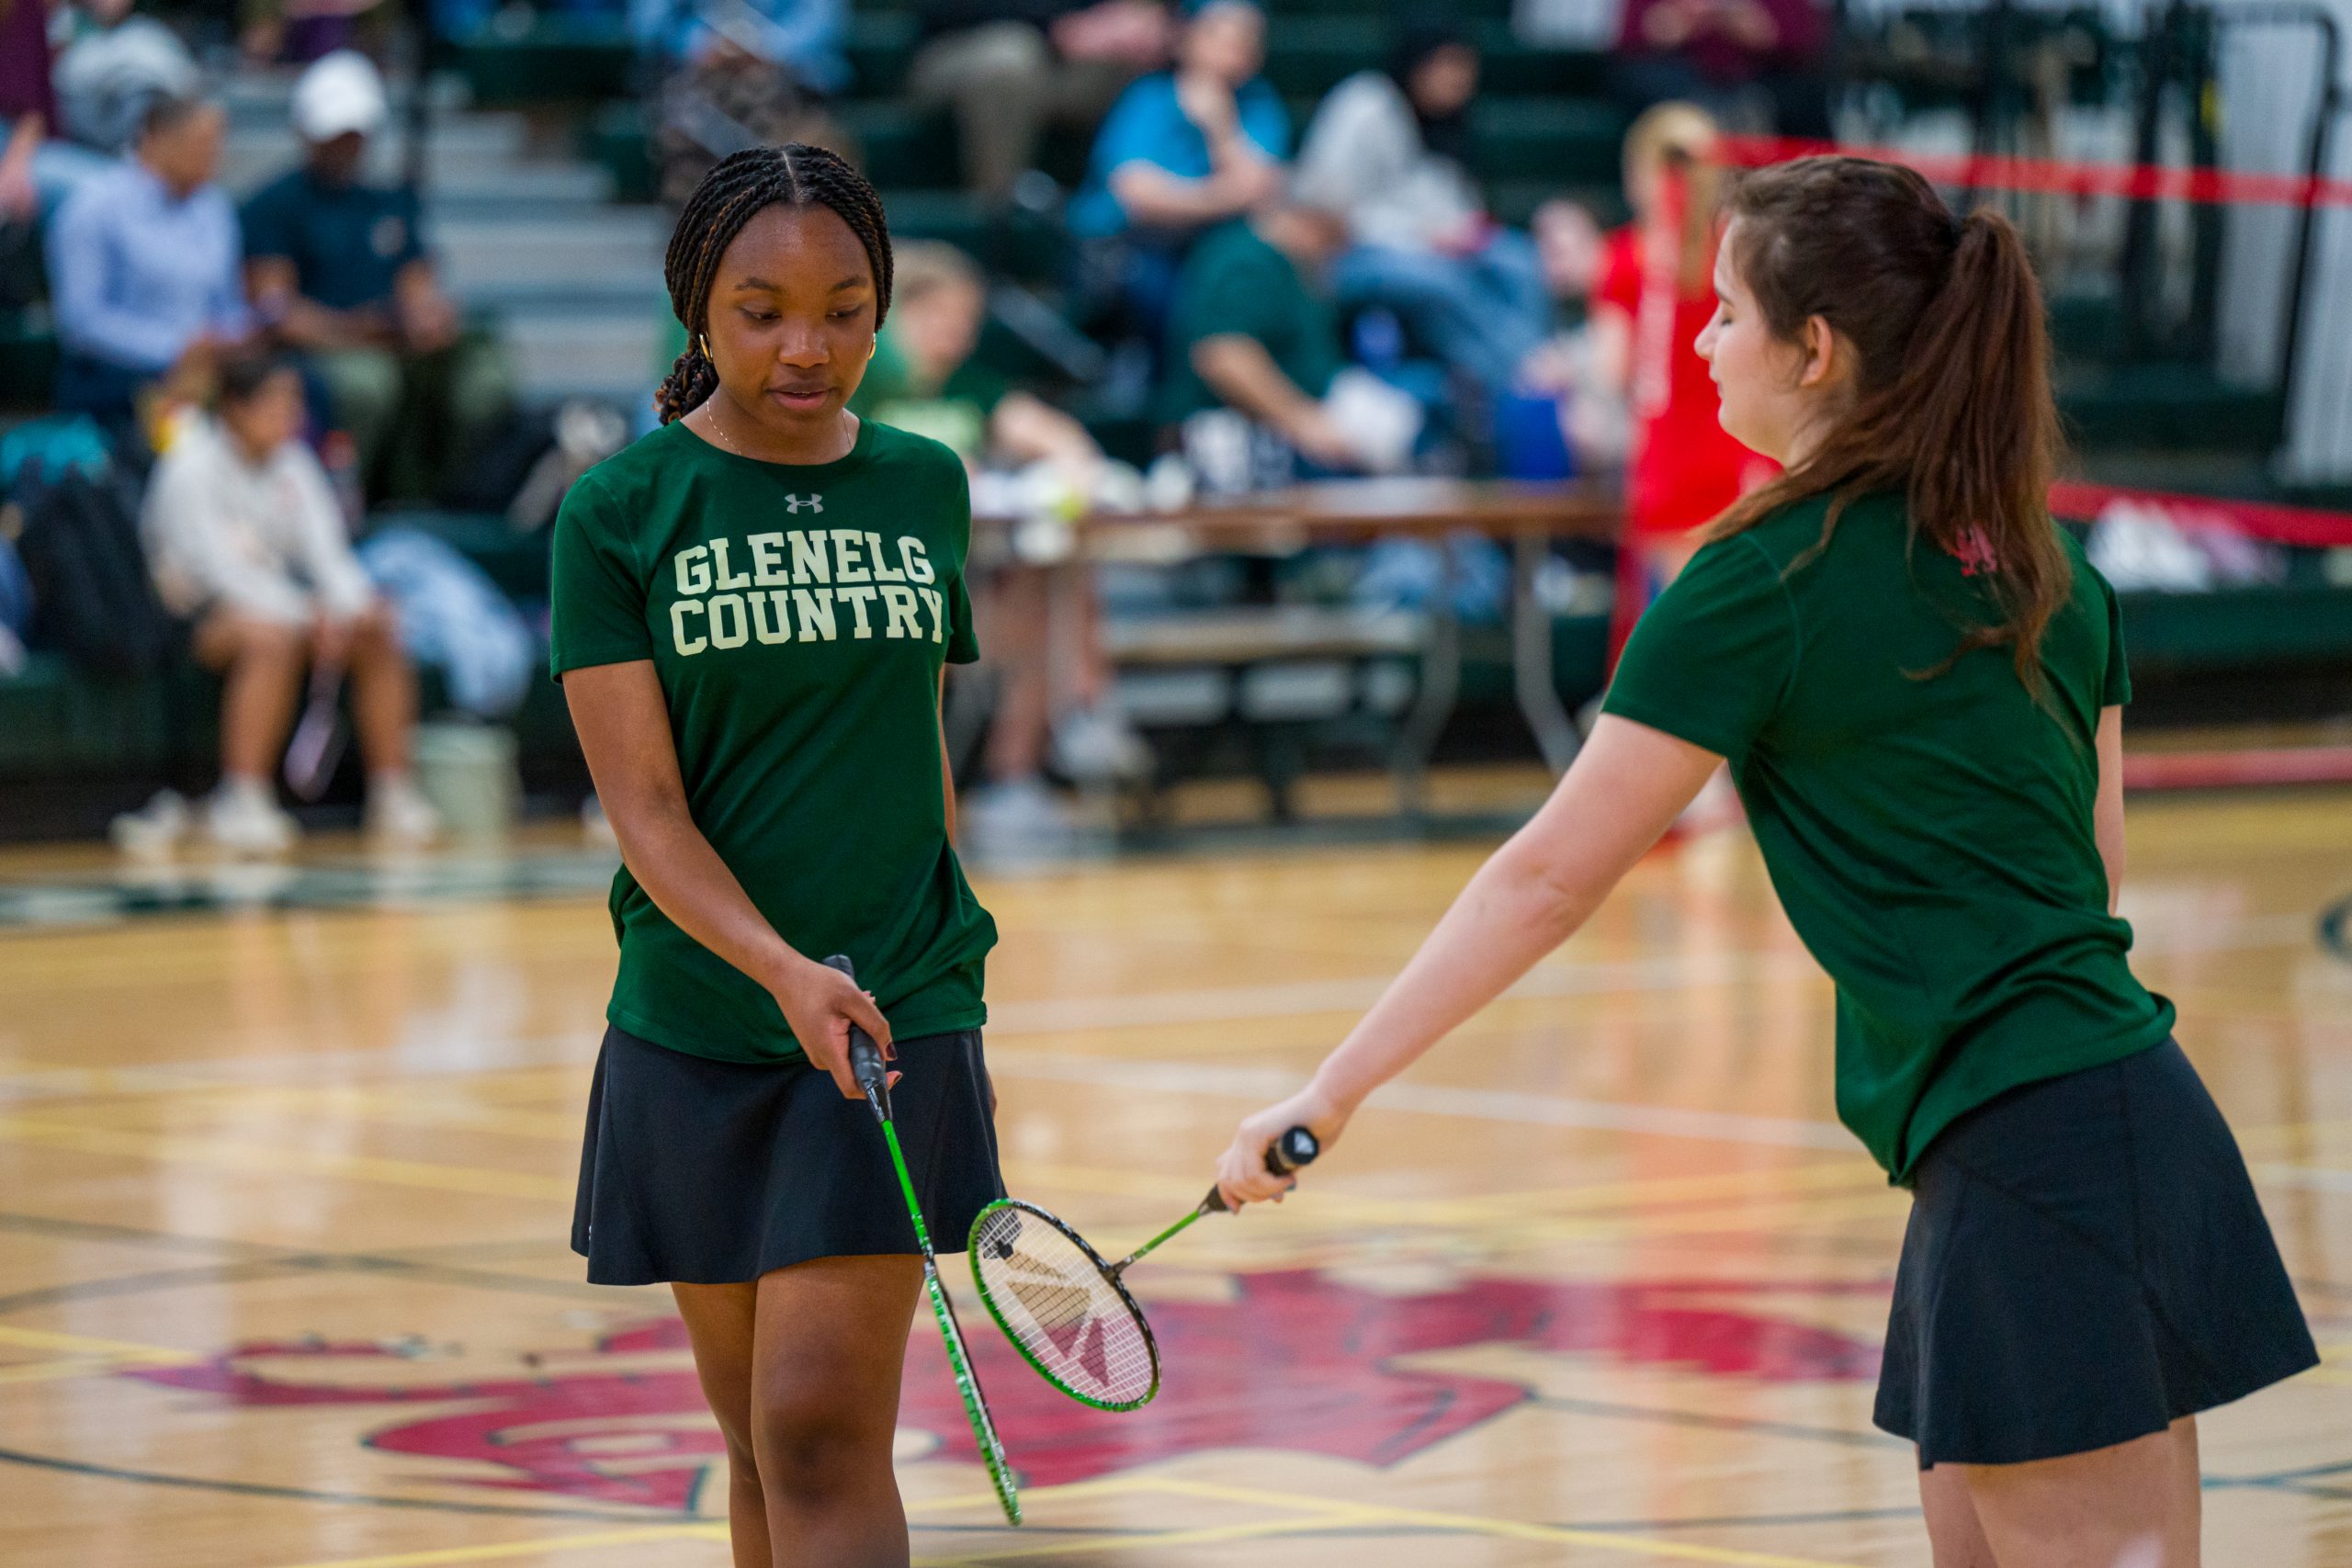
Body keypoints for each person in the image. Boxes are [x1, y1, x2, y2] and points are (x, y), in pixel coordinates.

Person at [1216, 156, 2316, 1568]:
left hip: (2037, 1148)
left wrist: (1332, 1090)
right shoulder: (2051, 566)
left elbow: (1546, 876)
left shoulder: (1758, 585)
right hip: (2065, 1130)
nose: (1699, 339)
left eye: (1726, 312)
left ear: (1815, 349)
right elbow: (2091, 882)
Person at [550, 144, 1002, 1568]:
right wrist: (777, 969)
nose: (808, 346)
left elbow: (910, 735)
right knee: (756, 1438)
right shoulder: (618, 510)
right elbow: (649, 813)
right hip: (700, 1018)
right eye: (762, 310)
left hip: (886, 1011)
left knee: (816, 1426)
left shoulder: (926, 482)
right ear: (700, 311)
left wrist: (927, 951)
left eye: (846, 307)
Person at [851, 240, 1144, 852]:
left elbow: (1058, 437)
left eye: (966, 324)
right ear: (894, 315)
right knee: (1041, 603)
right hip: (873, 586)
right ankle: (1081, 707)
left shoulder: (970, 387)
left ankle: (1031, 761)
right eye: (941, 320)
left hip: (966, 584)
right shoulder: (858, 387)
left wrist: (1072, 467)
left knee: (1051, 573)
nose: (956, 337)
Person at [140, 354, 439, 853]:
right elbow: (219, 575)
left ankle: (393, 794)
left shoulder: (296, 465)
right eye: (277, 402)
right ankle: (243, 797)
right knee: (271, 638)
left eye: (295, 402)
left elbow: (331, 557)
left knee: (378, 628)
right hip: (190, 620)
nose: (292, 415)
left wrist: (355, 606)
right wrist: (308, 615)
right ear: (235, 407)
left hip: (285, 605)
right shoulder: (188, 469)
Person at [242, 51, 512, 504]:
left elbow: (418, 280)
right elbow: (276, 310)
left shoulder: (389, 202)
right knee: (368, 383)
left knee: (485, 371)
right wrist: (356, 331)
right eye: (335, 134)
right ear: (307, 134)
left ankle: (459, 493)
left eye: (354, 133)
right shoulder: (274, 206)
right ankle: (343, 505)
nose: (346, 145)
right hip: (326, 349)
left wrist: (428, 317)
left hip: (390, 338)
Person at [1590, 103, 1773, 663]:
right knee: (1737, 626)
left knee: (1689, 637)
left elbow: (1610, 370)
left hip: (1668, 462)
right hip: (1739, 454)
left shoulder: (1629, 255)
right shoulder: (1738, 255)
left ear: (1640, 173)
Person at [1293, 22, 1552, 396]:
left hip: (1428, 248)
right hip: (1346, 257)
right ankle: (1519, 382)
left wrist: (1462, 231)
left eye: (1465, 67)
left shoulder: (1450, 125)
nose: (1458, 79)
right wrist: (1421, 236)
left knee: (1518, 258)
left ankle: (1538, 360)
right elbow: (1327, 210)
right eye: (1448, 65)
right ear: (1419, 63)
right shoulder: (1366, 103)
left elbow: (1455, 207)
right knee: (1442, 282)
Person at [1069, 0, 1287, 329]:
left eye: (1246, 41)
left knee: (1248, 266)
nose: (1234, 50)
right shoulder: (1149, 96)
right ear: (1186, 38)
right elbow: (1138, 196)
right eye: (1220, 37)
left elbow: (1261, 192)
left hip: (1210, 247)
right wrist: (1226, 198)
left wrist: (1220, 127)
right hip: (1128, 249)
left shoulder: (1259, 103)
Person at [46, 93, 250, 432]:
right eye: (201, 144)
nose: (213, 156)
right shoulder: (93, 207)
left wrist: (234, 336)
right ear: (155, 139)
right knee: (180, 411)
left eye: (217, 145)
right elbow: (81, 322)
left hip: (208, 361)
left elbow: (228, 304)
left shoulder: (215, 208)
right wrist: (175, 348)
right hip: (118, 371)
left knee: (298, 388)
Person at [907, 0, 1170, 205]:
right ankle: (1000, 216)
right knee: (1009, 59)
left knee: (1132, 57)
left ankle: (1110, 211)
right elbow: (941, 11)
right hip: (961, 49)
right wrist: (1059, 27)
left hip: (1065, 59)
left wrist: (1135, 23)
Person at [1611, 0, 1829, 138]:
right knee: (1652, 81)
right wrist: (1666, 26)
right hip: (1681, 76)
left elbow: (1803, 39)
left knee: (1801, 96)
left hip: (1760, 79)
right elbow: (1631, 39)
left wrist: (1764, 32)